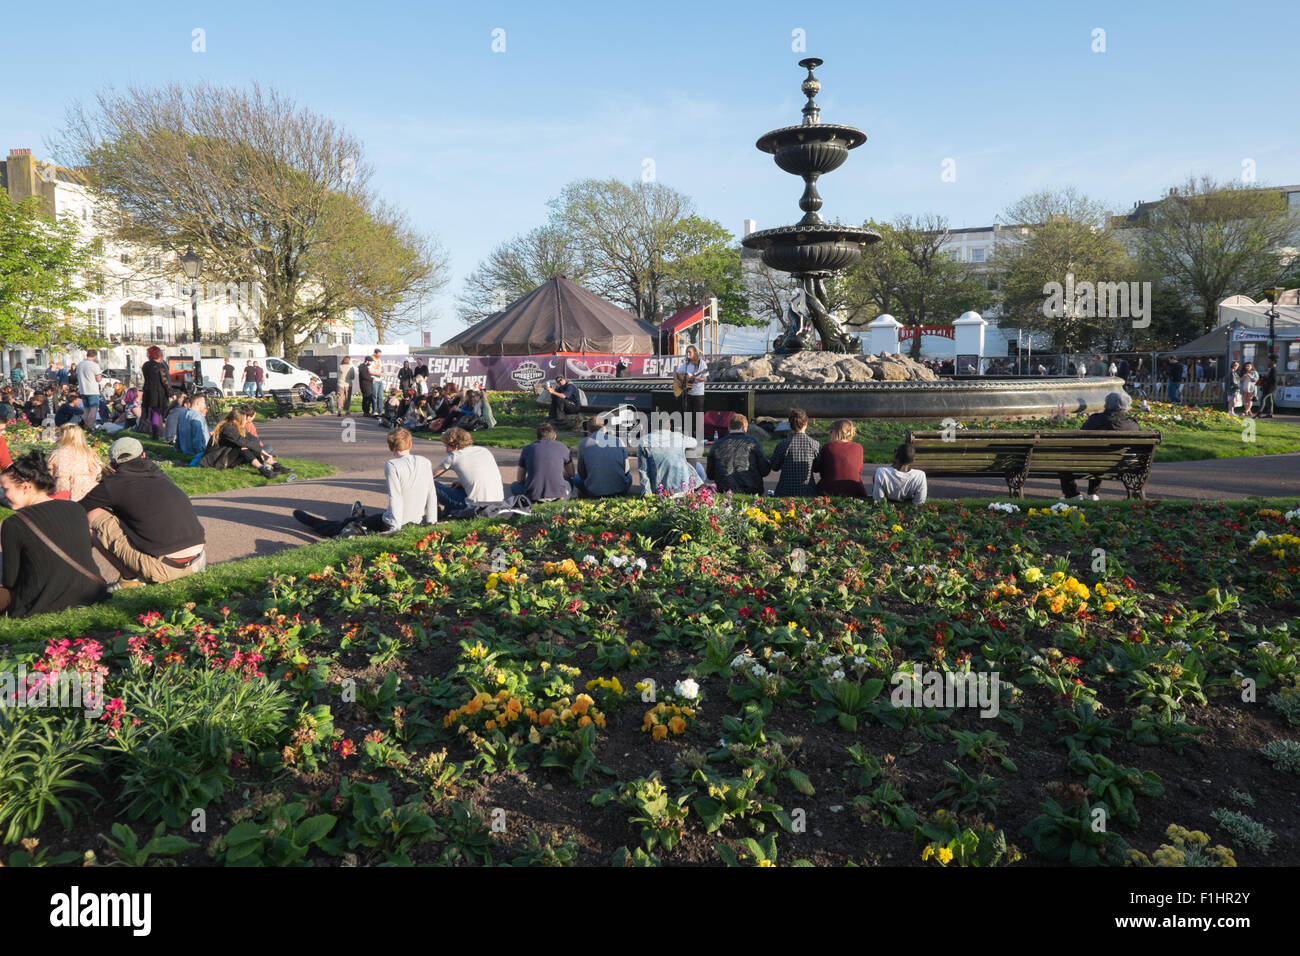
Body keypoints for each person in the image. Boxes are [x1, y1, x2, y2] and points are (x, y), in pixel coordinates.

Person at [80, 437, 206, 587]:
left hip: (163, 568)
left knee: (91, 515)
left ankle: (129, 578)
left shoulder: (112, 484)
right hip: (198, 559)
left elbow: (77, 510)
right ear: (144, 455)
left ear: (113, 463)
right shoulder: (160, 475)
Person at [0, 452, 108, 617]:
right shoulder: (76, 508)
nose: (3, 495)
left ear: (26, 487)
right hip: (91, 593)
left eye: (5, 489)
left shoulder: (14, 524)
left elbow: (10, 580)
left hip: (45, 601)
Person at [293, 428, 437, 537]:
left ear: (390, 446)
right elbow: (431, 494)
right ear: (410, 444)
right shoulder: (425, 461)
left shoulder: (392, 465)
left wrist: (395, 530)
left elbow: (396, 497)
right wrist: (432, 522)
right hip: (415, 519)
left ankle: (315, 523)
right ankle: (358, 516)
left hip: (393, 521)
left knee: (345, 526)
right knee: (368, 520)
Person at [1058, 391, 1139, 500]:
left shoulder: (1095, 420)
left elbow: (1080, 438)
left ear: (1107, 404)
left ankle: (1073, 494)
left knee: (1068, 461)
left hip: (1092, 461)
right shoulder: (1132, 424)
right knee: (1100, 456)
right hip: (1121, 464)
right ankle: (1093, 494)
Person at [431, 426, 504, 512]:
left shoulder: (454, 457)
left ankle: (433, 511)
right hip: (497, 503)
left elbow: (430, 476)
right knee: (457, 486)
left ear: (456, 446)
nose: (446, 450)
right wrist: (462, 482)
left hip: (474, 507)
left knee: (431, 484)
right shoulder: (484, 451)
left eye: (447, 446)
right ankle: (446, 512)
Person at [213, 407, 287, 478]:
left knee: (251, 446)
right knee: (242, 447)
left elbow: (253, 439)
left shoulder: (237, 427)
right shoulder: (227, 428)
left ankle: (274, 465)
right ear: (237, 420)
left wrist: (262, 452)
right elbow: (241, 441)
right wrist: (262, 451)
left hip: (230, 455)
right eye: (245, 419)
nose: (246, 421)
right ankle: (262, 469)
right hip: (220, 459)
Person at [706, 414, 770, 494]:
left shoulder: (717, 444)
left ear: (729, 427)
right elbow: (765, 471)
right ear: (744, 427)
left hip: (724, 491)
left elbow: (710, 474)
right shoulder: (753, 443)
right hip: (751, 490)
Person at [511, 422, 573, 502]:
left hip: (534, 496)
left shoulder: (527, 449)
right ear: (554, 437)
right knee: (571, 481)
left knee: (514, 486)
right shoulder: (562, 447)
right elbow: (571, 473)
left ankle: (527, 501)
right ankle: (562, 500)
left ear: (538, 437)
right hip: (557, 496)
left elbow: (520, 479)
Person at [571, 417, 631, 498]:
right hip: (619, 489)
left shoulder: (583, 443)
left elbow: (582, 473)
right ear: (604, 428)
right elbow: (626, 470)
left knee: (576, 478)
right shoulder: (618, 441)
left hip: (594, 491)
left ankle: (583, 497)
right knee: (629, 477)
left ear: (588, 430)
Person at [769, 408, 819, 497]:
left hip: (784, 492)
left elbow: (774, 466)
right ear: (805, 424)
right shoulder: (814, 444)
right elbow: (817, 468)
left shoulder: (783, 444)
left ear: (790, 424)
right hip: (808, 492)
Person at [47, 423, 104, 502]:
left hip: (62, 493)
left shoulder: (56, 454)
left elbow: (49, 475)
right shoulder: (89, 453)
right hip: (86, 493)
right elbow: (96, 472)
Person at [637, 426, 699, 496]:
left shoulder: (644, 440)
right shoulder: (678, 437)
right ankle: (691, 487)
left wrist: (647, 495)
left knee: (647, 467)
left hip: (658, 489)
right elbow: (694, 442)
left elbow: (643, 471)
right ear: (669, 426)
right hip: (681, 488)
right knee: (692, 453)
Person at [814, 419, 867, 497]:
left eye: (831, 431)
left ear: (836, 432)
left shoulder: (828, 447)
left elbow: (820, 469)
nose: (830, 434)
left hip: (829, 490)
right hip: (855, 489)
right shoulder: (859, 447)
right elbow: (859, 470)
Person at [676, 345, 708, 440]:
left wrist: (696, 378)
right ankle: (688, 436)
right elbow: (677, 373)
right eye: (687, 352)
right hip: (687, 393)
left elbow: (705, 378)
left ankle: (698, 437)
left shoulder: (701, 364)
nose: (688, 354)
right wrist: (679, 382)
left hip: (698, 394)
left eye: (689, 352)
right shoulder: (686, 364)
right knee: (687, 415)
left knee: (698, 416)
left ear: (694, 352)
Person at [140, 345, 171, 441]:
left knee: (152, 412)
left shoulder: (146, 365)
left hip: (148, 390)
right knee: (157, 413)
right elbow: (165, 381)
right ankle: (156, 434)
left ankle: (153, 433)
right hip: (158, 392)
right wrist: (170, 392)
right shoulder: (159, 366)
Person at [178, 394, 210, 465]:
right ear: (198, 403)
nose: (205, 405)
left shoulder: (182, 414)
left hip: (184, 448)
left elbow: (178, 433)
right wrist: (200, 452)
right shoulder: (198, 416)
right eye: (204, 403)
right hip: (196, 450)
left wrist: (177, 448)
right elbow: (197, 437)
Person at [75, 350, 103, 430]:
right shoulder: (94, 365)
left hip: (83, 390)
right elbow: (98, 379)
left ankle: (86, 426)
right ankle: (90, 428)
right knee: (93, 410)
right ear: (95, 356)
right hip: (93, 390)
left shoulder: (80, 365)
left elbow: (77, 376)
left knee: (86, 409)